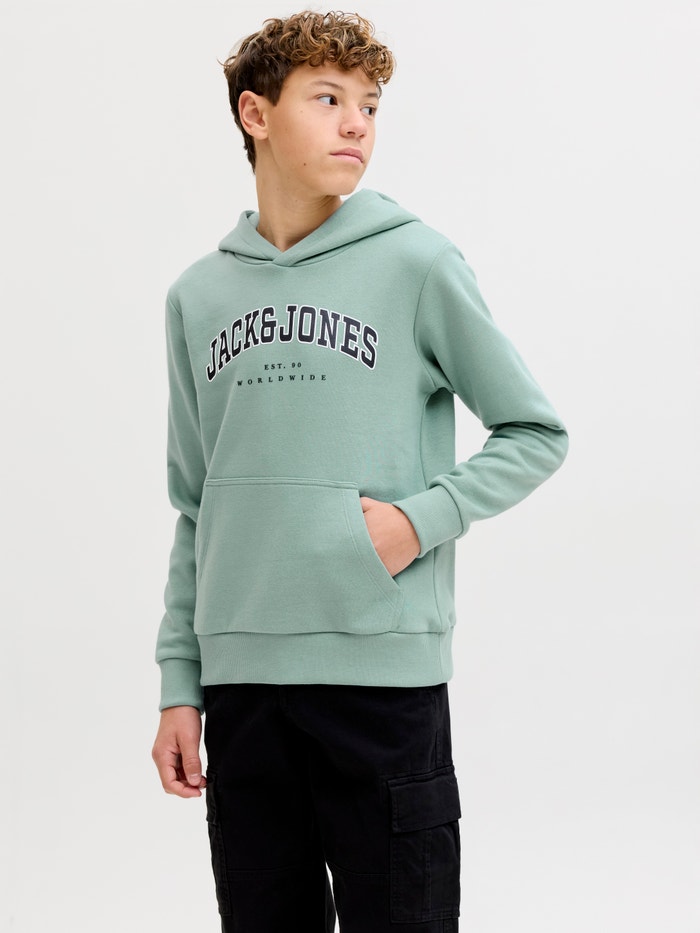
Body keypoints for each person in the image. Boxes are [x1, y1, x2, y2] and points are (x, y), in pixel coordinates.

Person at [151, 10, 568, 932]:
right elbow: (196, 503)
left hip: (382, 687)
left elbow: (534, 430)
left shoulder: (416, 263)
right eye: (328, 99)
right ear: (255, 114)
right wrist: (181, 681)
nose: (356, 124)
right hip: (243, 692)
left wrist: (418, 521)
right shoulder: (197, 295)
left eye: (370, 106)